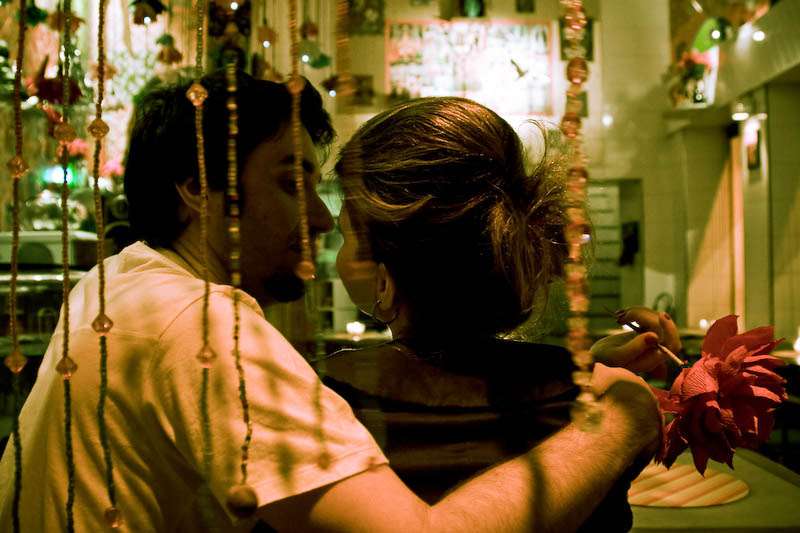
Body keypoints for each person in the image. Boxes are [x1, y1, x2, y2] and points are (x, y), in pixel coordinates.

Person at [0, 71, 661, 532]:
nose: (318, 220)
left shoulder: (121, 283)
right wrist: (617, 421)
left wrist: (573, 376)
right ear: (198, 188)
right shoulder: (200, 324)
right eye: (291, 183)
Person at [327, 96, 681, 529]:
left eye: (345, 235)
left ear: (385, 280)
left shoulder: (324, 405)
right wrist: (591, 372)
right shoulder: (600, 400)